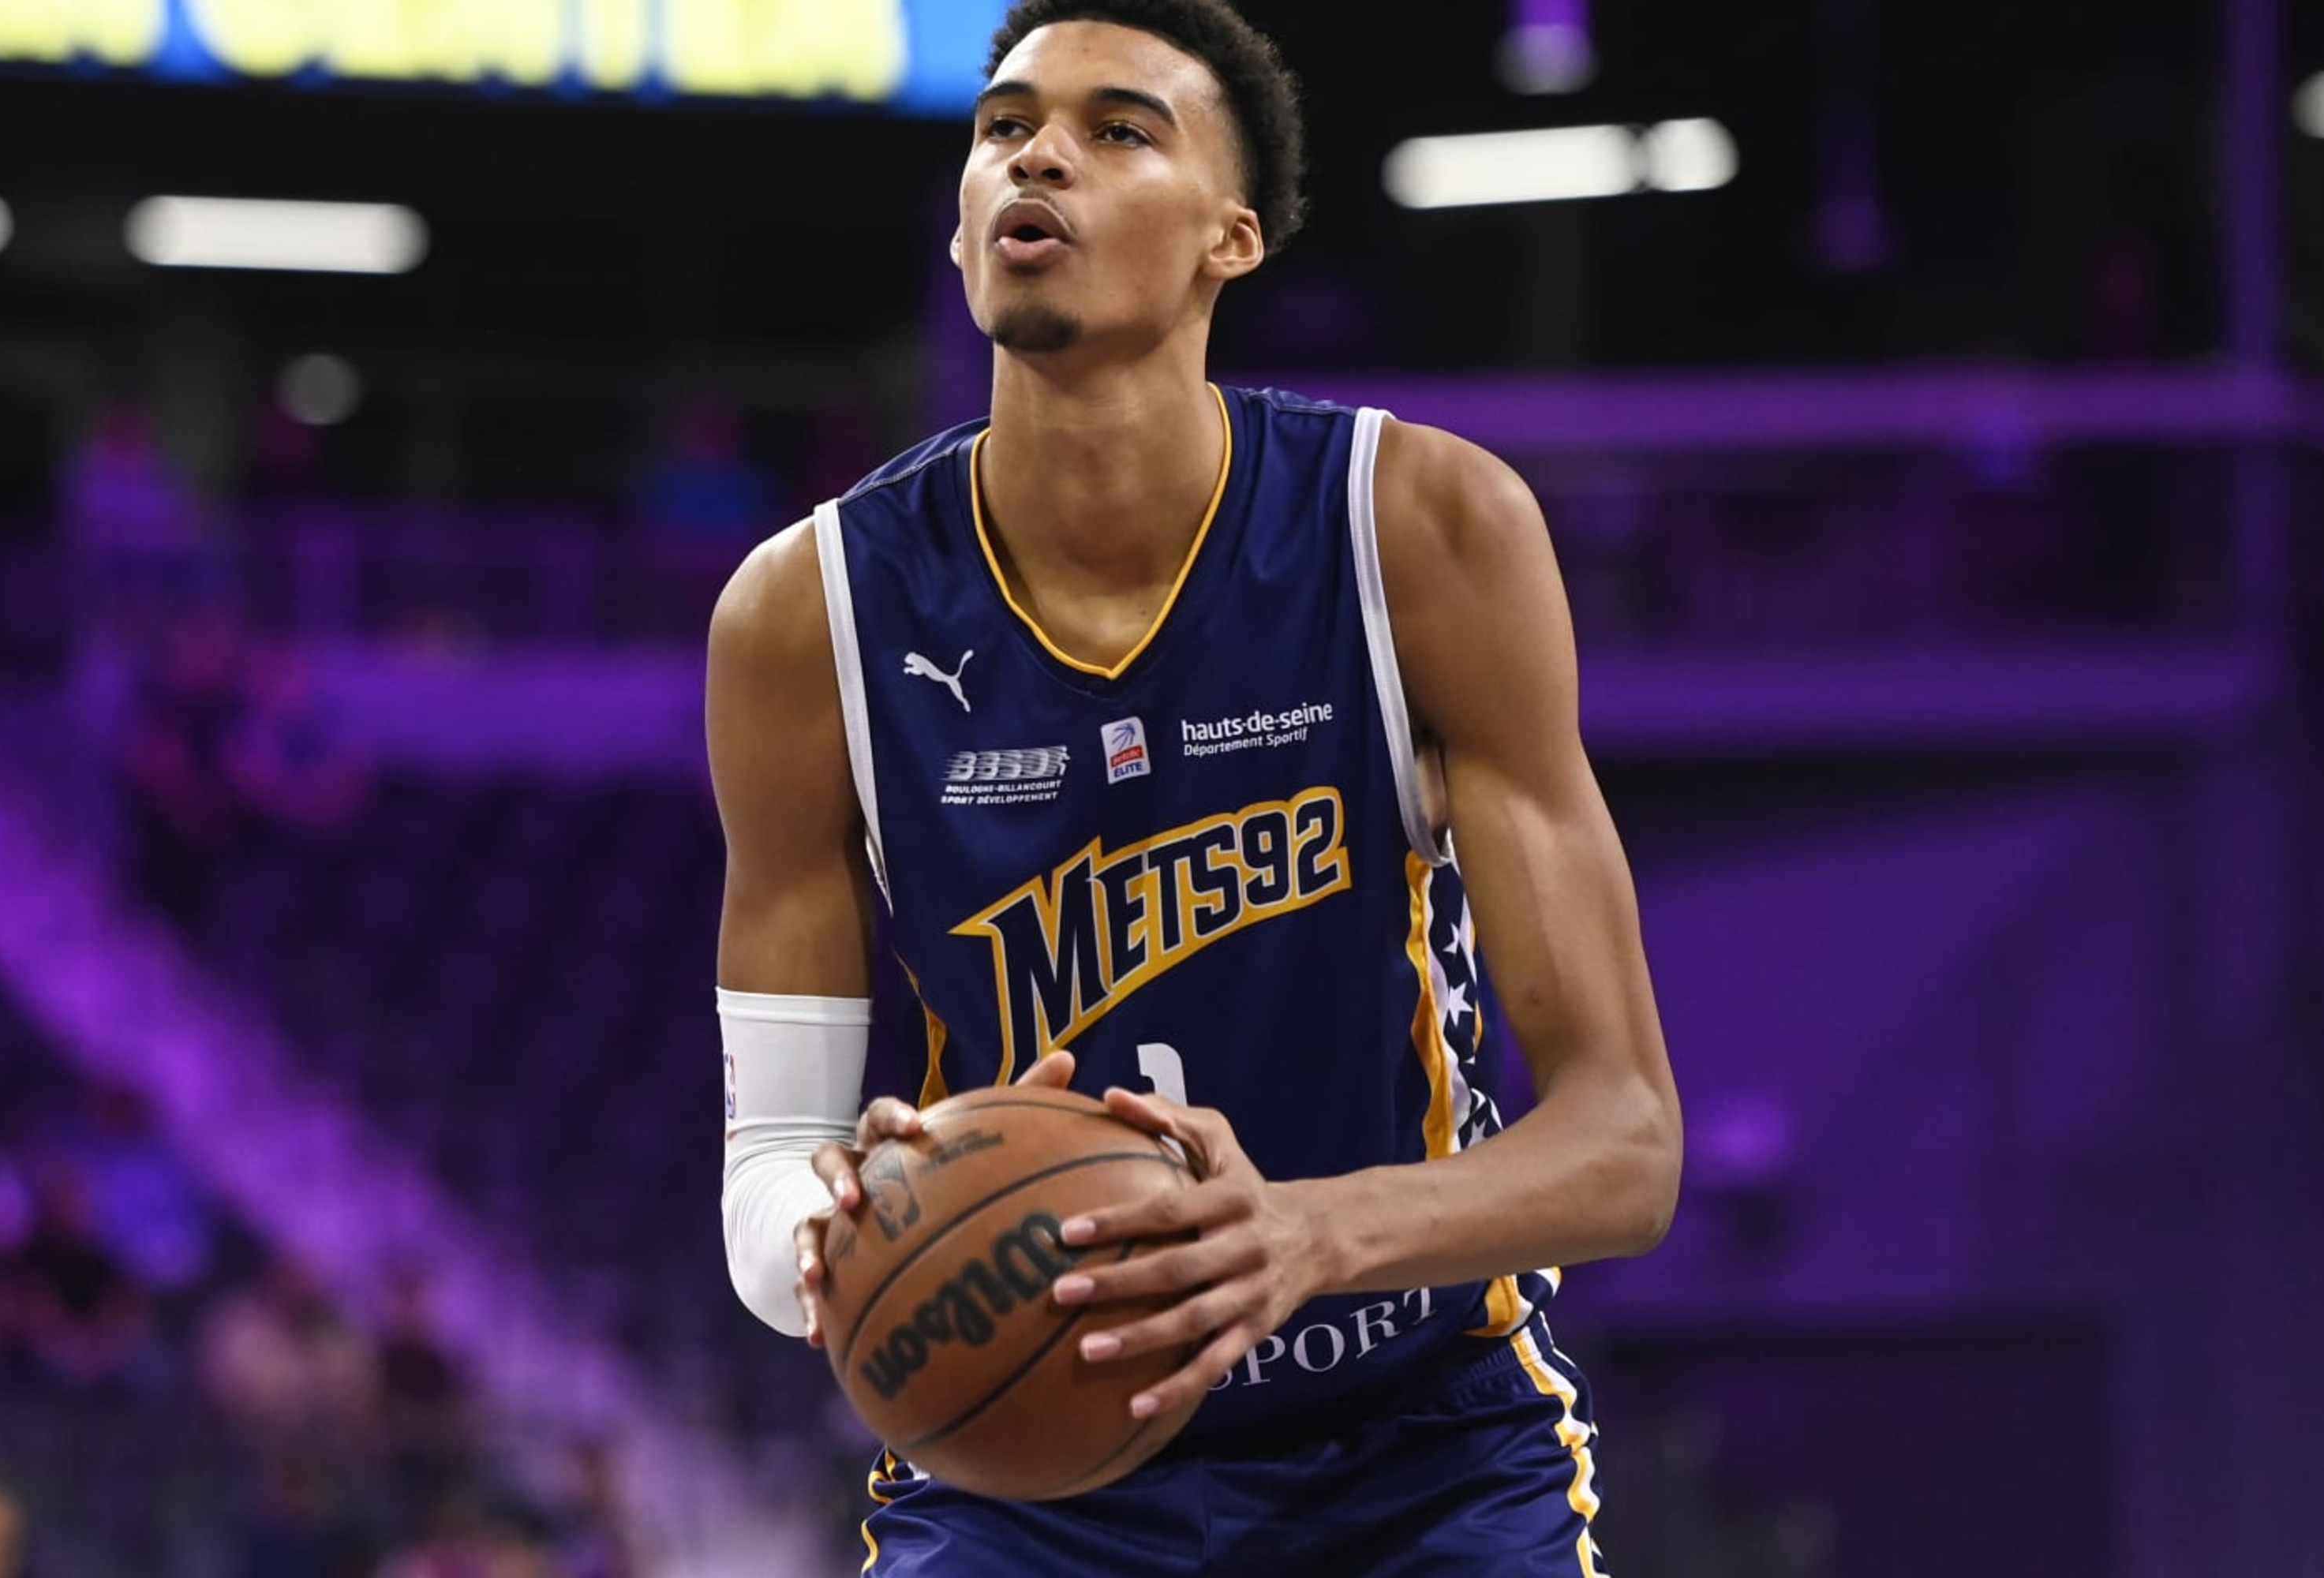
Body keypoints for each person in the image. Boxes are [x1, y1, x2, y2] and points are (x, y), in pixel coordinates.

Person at [702, 2, 1684, 1572]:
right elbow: (767, 1174)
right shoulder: (801, 614)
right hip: (1028, 1464)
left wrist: (1301, 1236)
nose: (1036, 152)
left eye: (1118, 129)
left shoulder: (1418, 527)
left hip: (1416, 1436)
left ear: (1231, 238)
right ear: (962, 229)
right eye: (1003, 124)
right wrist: (843, 1228)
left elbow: (1625, 1146)